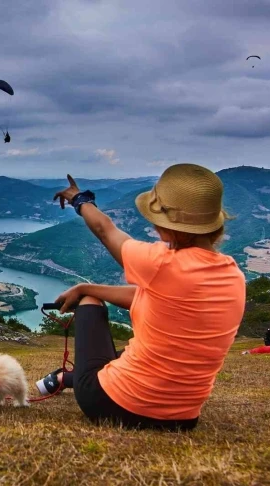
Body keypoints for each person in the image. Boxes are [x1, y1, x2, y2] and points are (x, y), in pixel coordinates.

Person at [35, 164, 245, 430]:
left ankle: (71, 378)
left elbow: (105, 230)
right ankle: (67, 378)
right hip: (183, 419)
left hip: (110, 405)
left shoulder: (160, 264)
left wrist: (79, 199)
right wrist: (86, 286)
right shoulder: (233, 276)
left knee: (91, 305)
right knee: (134, 346)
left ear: (169, 226)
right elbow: (149, 297)